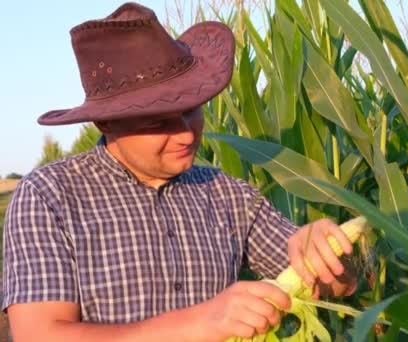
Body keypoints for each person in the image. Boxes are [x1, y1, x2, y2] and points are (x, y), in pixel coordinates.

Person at [2, 3, 356, 341]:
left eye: (192, 111)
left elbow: (338, 284)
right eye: (159, 121)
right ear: (105, 121)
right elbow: (40, 334)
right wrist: (197, 324)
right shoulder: (49, 196)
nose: (186, 133)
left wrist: (329, 258)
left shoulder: (228, 195)